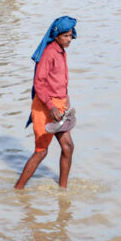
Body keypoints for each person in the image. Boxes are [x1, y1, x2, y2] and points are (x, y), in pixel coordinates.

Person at [15, 17, 77, 190]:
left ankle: (62, 190)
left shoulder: (61, 51)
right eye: (65, 36)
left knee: (68, 147)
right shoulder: (49, 53)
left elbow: (59, 81)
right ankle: (18, 189)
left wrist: (66, 99)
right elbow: (39, 84)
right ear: (56, 36)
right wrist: (51, 107)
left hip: (58, 107)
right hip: (45, 108)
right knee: (41, 151)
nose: (69, 39)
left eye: (71, 36)